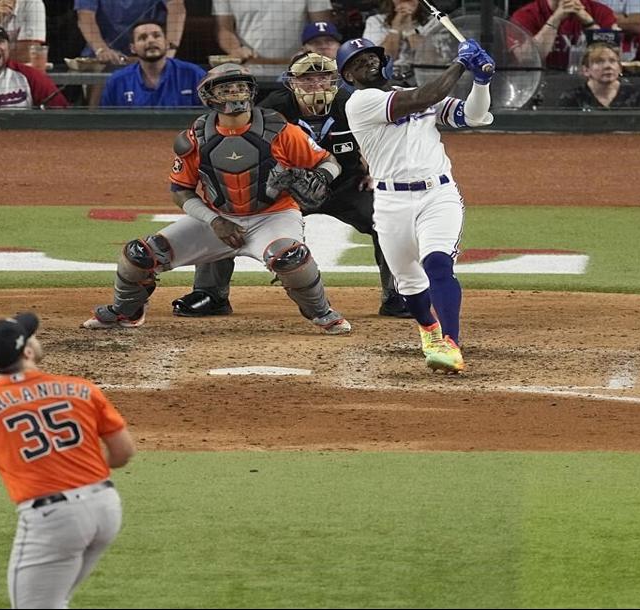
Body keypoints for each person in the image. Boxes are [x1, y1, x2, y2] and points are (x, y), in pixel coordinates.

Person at [82, 63, 353, 336]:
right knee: (138, 255)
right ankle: (125, 311)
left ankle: (322, 313)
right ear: (210, 97)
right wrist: (215, 221)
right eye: (226, 89)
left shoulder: (281, 130)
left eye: (241, 87)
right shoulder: (195, 137)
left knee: (290, 258)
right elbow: (180, 191)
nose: (235, 93)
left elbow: (329, 161)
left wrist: (322, 177)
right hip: (219, 218)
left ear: (252, 92)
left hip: (274, 215)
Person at [0, 311, 135, 609]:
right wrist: (75, 466)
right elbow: (123, 453)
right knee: (55, 600)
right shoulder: (82, 389)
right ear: (28, 351)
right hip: (106, 508)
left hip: (53, 520)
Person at [172, 52, 412, 319]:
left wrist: (378, 169)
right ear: (291, 82)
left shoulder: (353, 104)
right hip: (285, 189)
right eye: (307, 78)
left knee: (389, 218)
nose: (317, 85)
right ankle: (211, 294)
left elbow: (387, 136)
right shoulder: (272, 109)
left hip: (346, 183)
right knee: (230, 208)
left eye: (323, 77)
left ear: (335, 79)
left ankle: (398, 293)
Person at [337, 37, 496, 373]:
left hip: (438, 194)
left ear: (383, 61)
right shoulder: (362, 102)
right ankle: (429, 329)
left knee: (438, 263)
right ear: (348, 76)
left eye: (371, 56)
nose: (367, 62)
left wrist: (481, 82)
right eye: (356, 62)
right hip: (391, 201)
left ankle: (451, 344)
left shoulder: (417, 95)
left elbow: (474, 116)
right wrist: (460, 64)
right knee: (408, 282)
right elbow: (424, 96)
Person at [100, 19, 207, 107]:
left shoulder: (194, 74)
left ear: (167, 43)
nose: (150, 41)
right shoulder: (117, 81)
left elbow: (211, 116)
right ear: (133, 48)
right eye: (143, 38)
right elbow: (104, 123)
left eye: (156, 36)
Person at [214, 0, 332, 69]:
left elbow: (323, 28)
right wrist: (236, 49)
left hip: (300, 69)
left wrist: (311, 54)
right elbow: (224, 29)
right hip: (250, 69)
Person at [510, 0, 619, 71]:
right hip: (541, 83)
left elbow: (613, 56)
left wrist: (588, 22)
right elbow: (527, 59)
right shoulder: (526, 15)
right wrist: (555, 19)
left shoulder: (601, 12)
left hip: (591, 85)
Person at [77, 0, 184, 63]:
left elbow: (177, 8)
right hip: (105, 59)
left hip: (149, 55)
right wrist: (101, 50)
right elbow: (85, 16)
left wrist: (168, 52)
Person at [362, 0, 440, 85]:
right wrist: (396, 29)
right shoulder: (375, 21)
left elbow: (430, 60)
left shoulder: (435, 21)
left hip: (421, 78)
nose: (405, 2)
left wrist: (409, 29)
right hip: (386, 79)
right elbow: (380, 60)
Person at [558, 41, 640, 108]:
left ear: (620, 68)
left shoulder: (634, 93)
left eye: (612, 61)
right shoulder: (572, 97)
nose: (608, 66)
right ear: (586, 70)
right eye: (599, 61)